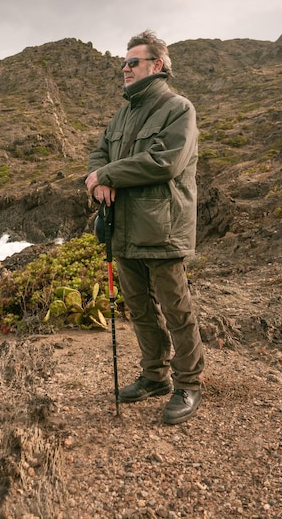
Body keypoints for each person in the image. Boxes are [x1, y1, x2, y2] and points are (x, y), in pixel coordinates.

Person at [86, 30, 204, 424]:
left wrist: (107, 173)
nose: (125, 67)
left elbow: (164, 162)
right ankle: (156, 377)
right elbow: (100, 149)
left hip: (163, 228)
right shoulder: (123, 113)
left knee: (176, 308)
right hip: (124, 229)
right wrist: (97, 176)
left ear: (157, 65)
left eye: (132, 61)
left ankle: (189, 383)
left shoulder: (178, 109)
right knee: (139, 309)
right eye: (124, 61)